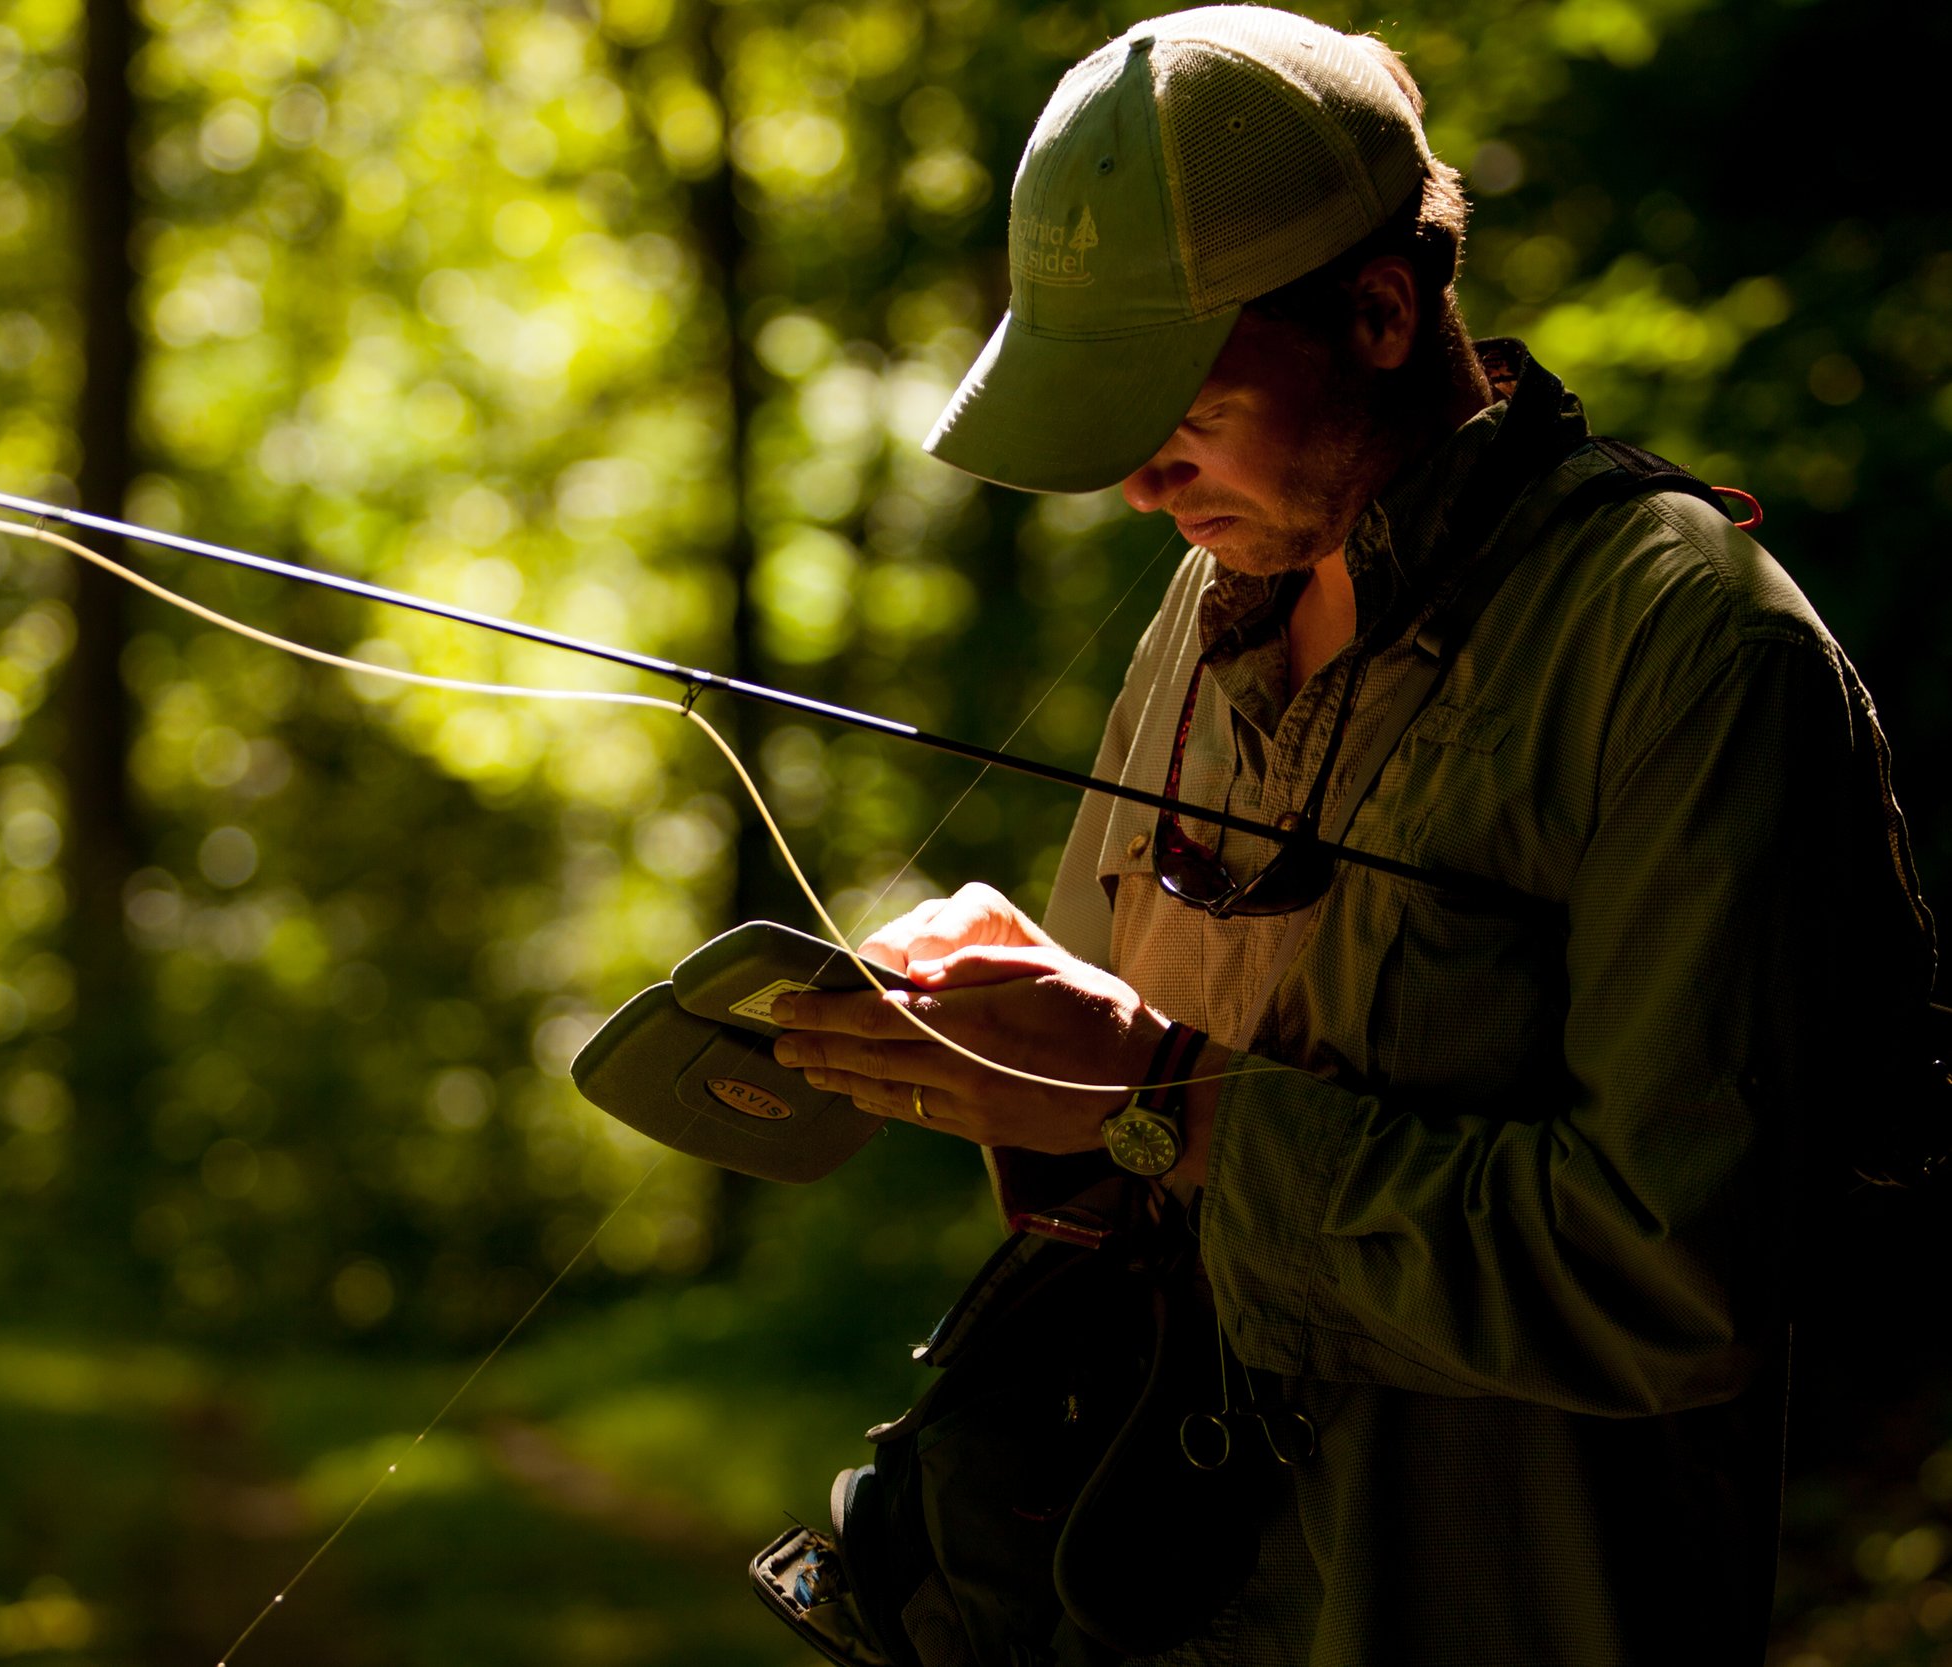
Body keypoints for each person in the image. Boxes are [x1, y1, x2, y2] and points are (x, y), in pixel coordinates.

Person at [766, 6, 1938, 1662]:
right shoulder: (1208, 603)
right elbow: (1122, 1136)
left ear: (1380, 311)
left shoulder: (1689, 651)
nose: (1140, 487)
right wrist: (1010, 1023)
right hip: (1162, 1602)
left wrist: (1166, 1099)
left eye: (1175, 403)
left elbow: (1677, 1281)